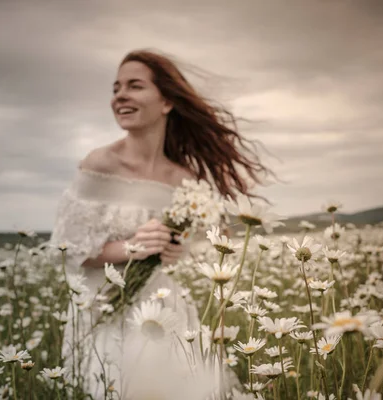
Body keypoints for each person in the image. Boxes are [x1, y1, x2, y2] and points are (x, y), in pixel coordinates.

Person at [49, 49, 274, 398]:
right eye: (116, 88)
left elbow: (185, 245)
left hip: (162, 306)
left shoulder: (183, 179)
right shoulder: (100, 164)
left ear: (167, 101)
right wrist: (132, 248)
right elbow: (67, 249)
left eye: (135, 86)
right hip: (104, 308)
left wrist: (171, 250)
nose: (120, 95)